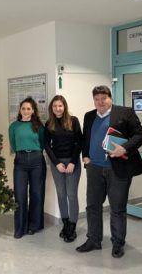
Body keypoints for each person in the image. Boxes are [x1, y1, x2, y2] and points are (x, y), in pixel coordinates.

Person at [76, 85, 142, 258]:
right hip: (94, 169)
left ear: (110, 98)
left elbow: (140, 136)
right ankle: (93, 240)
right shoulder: (89, 115)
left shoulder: (125, 113)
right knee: (92, 206)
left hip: (118, 170)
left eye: (103, 98)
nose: (100, 102)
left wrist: (124, 148)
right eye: (97, 99)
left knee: (117, 209)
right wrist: (85, 156)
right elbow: (86, 138)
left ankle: (118, 243)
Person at [45, 95, 82, 243]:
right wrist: (56, 163)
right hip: (57, 164)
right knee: (61, 193)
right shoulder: (49, 123)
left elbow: (79, 141)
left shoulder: (73, 121)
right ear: (51, 108)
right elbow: (47, 146)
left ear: (64, 106)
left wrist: (73, 162)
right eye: (54, 106)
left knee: (72, 194)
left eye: (60, 106)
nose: (57, 109)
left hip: (73, 163)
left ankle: (72, 226)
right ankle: (65, 223)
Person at [8, 97, 46, 239]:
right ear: (20, 110)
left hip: (37, 160)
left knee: (36, 193)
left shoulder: (39, 126)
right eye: (23, 108)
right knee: (20, 195)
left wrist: (34, 151)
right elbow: (13, 144)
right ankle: (20, 228)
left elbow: (42, 144)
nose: (25, 111)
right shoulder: (14, 126)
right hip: (20, 161)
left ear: (33, 110)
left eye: (28, 108)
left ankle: (34, 225)